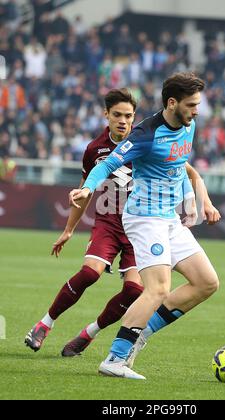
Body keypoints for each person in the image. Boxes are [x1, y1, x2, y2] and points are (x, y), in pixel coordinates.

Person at [69, 72, 221, 379]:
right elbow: (108, 163)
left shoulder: (188, 126)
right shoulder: (145, 134)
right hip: (144, 218)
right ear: (172, 102)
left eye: (198, 104)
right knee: (157, 288)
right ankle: (114, 360)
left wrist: (196, 199)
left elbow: (180, 167)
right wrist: (88, 188)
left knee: (206, 282)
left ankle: (140, 333)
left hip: (169, 219)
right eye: (192, 105)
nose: (197, 111)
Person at [24, 88, 145, 354]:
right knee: (90, 272)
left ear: (134, 117)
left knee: (135, 290)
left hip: (140, 228)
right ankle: (45, 324)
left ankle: (88, 334)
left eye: (128, 115)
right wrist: (69, 229)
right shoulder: (94, 149)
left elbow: (180, 166)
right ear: (106, 115)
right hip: (109, 224)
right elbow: (84, 192)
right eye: (117, 115)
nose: (123, 121)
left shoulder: (144, 143)